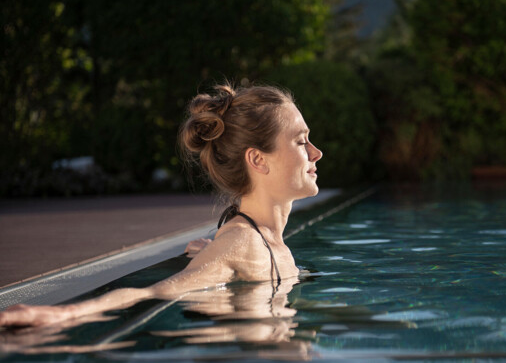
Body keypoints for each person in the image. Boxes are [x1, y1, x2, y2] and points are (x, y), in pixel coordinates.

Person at [0, 83, 323, 328]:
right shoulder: (244, 242)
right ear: (257, 159)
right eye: (300, 141)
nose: (315, 152)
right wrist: (65, 312)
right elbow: (154, 293)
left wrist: (213, 255)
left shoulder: (257, 242)